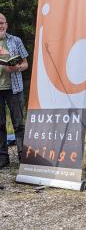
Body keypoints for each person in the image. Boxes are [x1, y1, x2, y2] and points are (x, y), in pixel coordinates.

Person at [0, 13, 28, 169]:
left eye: (2, 22)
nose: (0, 26)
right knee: (0, 124)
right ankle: (3, 158)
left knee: (18, 123)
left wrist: (16, 67)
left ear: (7, 24)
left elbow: (25, 64)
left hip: (14, 88)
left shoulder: (15, 41)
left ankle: (23, 155)